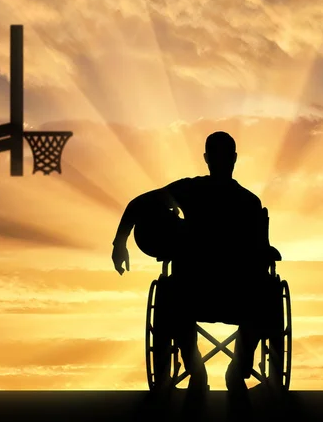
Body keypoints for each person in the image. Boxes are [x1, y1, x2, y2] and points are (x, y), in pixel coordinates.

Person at [111, 131, 271, 417]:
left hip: (193, 295)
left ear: (207, 159)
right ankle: (237, 368)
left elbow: (138, 205)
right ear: (233, 158)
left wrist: (120, 243)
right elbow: (262, 252)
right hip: (237, 297)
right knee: (264, 293)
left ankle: (196, 368)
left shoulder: (189, 191)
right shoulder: (249, 202)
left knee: (174, 292)